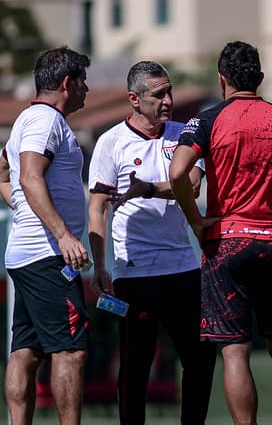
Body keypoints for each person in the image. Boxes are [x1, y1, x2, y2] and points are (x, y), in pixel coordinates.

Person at [169, 41, 272, 425]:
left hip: (227, 243)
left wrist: (195, 221)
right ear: (261, 78)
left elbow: (176, 174)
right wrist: (269, 183)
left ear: (221, 78)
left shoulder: (208, 120)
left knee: (235, 352)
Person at [87, 61, 216, 425]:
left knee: (201, 357)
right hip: (135, 273)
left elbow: (190, 186)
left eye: (170, 91)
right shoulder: (110, 142)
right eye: (159, 94)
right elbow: (97, 208)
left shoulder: (184, 134)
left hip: (183, 268)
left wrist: (146, 189)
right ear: (134, 99)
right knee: (135, 363)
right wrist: (100, 265)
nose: (168, 100)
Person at [0, 46, 92, 425]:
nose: (88, 89)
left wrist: (23, 210)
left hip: (28, 254)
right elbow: (28, 176)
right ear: (67, 83)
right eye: (83, 81)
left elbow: (2, 175)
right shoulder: (44, 121)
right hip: (47, 256)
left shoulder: (28, 120)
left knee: (27, 351)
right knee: (70, 352)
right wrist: (62, 235)